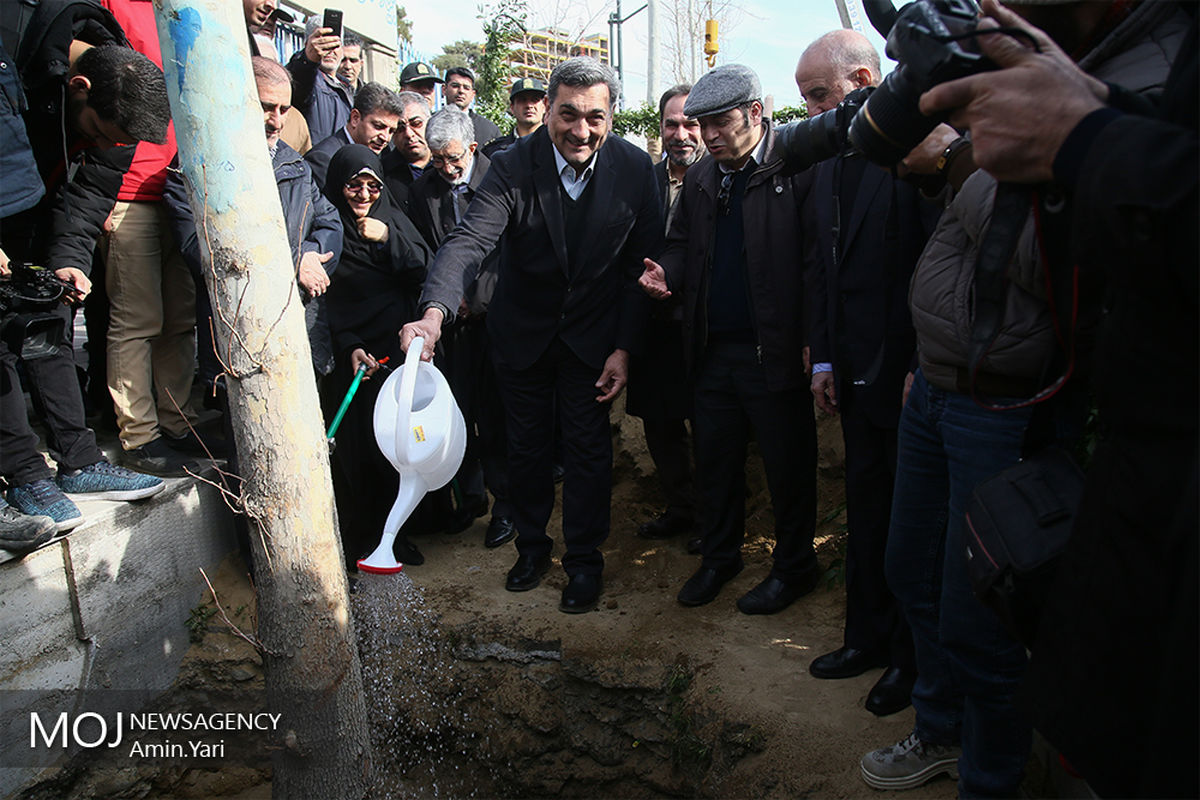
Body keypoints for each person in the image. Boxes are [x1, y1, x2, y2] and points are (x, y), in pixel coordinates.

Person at [855, 1, 1187, 794]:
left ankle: (993, 776)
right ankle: (939, 730)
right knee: (910, 573)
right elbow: (955, 252)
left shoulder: (1131, 87)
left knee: (984, 614)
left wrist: (965, 163)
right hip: (938, 387)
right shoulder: (1019, 91)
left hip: (1007, 405)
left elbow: (1058, 271)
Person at [401, 57, 663, 614]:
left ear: (611, 115)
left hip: (593, 341)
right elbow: (469, 241)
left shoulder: (637, 170)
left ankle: (585, 561)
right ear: (547, 110)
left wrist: (623, 347)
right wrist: (434, 312)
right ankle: (532, 546)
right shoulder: (512, 166)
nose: (581, 130)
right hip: (521, 336)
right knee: (526, 449)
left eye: (595, 117)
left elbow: (643, 269)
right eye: (568, 114)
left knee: (590, 454)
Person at [795, 30, 939, 718]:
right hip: (847, 372)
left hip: (909, 377)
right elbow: (820, 270)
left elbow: (931, 269)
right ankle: (865, 639)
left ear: (862, 78)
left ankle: (910, 661)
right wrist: (822, 356)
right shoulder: (826, 160)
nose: (815, 111)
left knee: (913, 526)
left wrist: (922, 367)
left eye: (821, 96)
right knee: (866, 510)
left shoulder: (919, 153)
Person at [640, 64, 819, 616]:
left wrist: (817, 341)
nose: (707, 136)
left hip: (776, 351)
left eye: (719, 123)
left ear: (755, 115)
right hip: (712, 350)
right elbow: (681, 243)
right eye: (701, 124)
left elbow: (816, 263)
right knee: (714, 462)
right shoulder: (701, 179)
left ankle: (794, 568)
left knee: (788, 466)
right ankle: (720, 558)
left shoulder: (795, 167)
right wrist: (667, 273)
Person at [0, 13, 169, 532]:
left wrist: (70, 259)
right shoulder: (13, 35)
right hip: (10, 193)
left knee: (49, 308)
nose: (100, 144)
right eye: (95, 131)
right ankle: (26, 474)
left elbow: (93, 189)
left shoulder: (119, 102)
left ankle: (79, 462)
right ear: (79, 88)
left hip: (36, 204)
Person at [166, 57, 342, 379]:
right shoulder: (196, 164)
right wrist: (295, 260)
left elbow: (330, 223)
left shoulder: (295, 164)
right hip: (239, 331)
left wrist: (310, 255)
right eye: (266, 107)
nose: (276, 121)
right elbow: (202, 248)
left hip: (297, 325)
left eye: (284, 110)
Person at [323, 145, 431, 569]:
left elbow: (421, 268)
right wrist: (349, 344)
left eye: (372, 184)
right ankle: (363, 537)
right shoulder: (327, 228)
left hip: (395, 352)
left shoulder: (393, 221)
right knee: (358, 450)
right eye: (354, 184)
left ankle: (399, 534)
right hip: (352, 359)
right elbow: (324, 302)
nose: (363, 193)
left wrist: (386, 238)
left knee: (398, 446)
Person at [410, 108, 512, 548]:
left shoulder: (500, 178)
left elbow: (505, 253)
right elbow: (430, 251)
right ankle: (470, 500)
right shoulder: (424, 191)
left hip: (498, 319)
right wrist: (448, 302)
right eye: (437, 160)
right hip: (450, 326)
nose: (447, 169)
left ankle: (507, 506)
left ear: (471, 148)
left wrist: (479, 297)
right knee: (457, 414)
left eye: (453, 159)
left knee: (498, 419)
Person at [627, 84, 702, 551]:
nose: (681, 133)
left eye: (690, 123)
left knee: (711, 427)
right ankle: (681, 508)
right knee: (660, 424)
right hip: (652, 326)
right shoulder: (644, 182)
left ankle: (716, 516)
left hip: (703, 327)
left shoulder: (721, 178)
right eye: (672, 124)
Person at [306, 82, 403, 189]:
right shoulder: (323, 159)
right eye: (378, 126)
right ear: (355, 118)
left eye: (391, 131)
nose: (385, 138)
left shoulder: (384, 154)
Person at [286, 14, 352, 141]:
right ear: (307, 44)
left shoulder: (347, 87)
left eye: (335, 44)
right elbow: (299, 85)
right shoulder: (305, 77)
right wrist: (309, 60)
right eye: (322, 42)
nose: (329, 50)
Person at [381, 91, 433, 215]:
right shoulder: (382, 173)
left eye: (416, 124)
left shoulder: (447, 166)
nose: (409, 134)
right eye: (400, 128)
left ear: (430, 123)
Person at [481, 77, 548, 158]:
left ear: (544, 106)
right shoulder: (494, 150)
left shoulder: (557, 146)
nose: (529, 106)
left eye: (535, 100)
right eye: (522, 100)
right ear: (512, 108)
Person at [442, 66, 501, 147]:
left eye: (466, 88)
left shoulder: (490, 130)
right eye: (455, 86)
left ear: (473, 94)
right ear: (444, 89)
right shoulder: (429, 124)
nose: (461, 91)